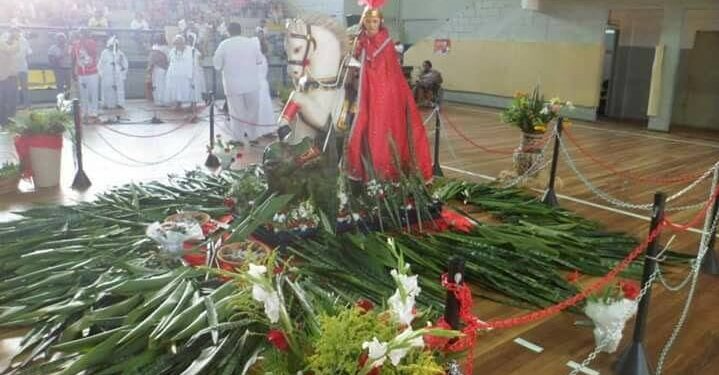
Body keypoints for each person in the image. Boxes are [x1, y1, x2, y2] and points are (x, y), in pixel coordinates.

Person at [345, 4, 433, 182]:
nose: (371, 25)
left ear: (381, 22)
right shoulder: (360, 40)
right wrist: (354, 46)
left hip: (380, 91)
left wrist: (362, 45)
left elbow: (379, 66)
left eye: (375, 21)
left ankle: (380, 171)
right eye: (368, 21)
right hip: (360, 87)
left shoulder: (384, 42)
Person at [213, 22, 264, 144]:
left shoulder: (224, 44)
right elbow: (259, 60)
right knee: (253, 111)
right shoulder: (251, 43)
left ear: (228, 32)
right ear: (240, 30)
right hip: (251, 83)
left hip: (233, 85)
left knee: (236, 112)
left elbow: (217, 65)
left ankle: (238, 139)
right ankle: (253, 137)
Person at [70, 29, 100, 120]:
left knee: (93, 93)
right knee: (83, 94)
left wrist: (84, 44)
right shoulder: (75, 44)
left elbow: (92, 53)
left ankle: (94, 111)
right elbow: (74, 59)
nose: (82, 35)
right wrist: (73, 72)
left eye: (84, 33)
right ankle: (84, 111)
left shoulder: (92, 42)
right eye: (81, 33)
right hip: (81, 73)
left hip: (92, 72)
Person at [165, 35, 197, 109]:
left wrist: (191, 73)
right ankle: (178, 103)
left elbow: (192, 62)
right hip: (175, 74)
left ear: (183, 43)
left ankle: (193, 104)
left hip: (186, 74)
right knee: (176, 89)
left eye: (179, 43)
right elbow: (170, 61)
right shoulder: (172, 50)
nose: (177, 45)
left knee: (189, 89)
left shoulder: (190, 50)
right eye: (176, 43)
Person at [99, 36, 128, 109]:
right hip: (107, 74)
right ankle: (106, 104)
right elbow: (100, 64)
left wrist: (122, 74)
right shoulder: (104, 52)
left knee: (119, 89)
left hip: (117, 75)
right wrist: (101, 74)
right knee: (107, 88)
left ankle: (120, 103)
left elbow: (125, 64)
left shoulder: (121, 54)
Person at [0, 30, 20, 127]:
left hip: (12, 76)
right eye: (9, 37)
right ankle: (4, 121)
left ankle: (10, 120)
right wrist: (15, 39)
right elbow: (12, 50)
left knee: (12, 100)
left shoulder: (10, 45)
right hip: (4, 78)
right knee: (4, 101)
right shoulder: (2, 44)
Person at [257, 38, 276, 138]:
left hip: (258, 85)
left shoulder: (258, 57)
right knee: (265, 108)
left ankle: (261, 129)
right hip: (262, 84)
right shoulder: (263, 57)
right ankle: (266, 129)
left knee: (260, 108)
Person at [147, 34, 169, 106]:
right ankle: (161, 100)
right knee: (160, 85)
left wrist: (149, 68)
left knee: (160, 85)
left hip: (160, 69)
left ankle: (161, 101)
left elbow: (152, 61)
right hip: (160, 68)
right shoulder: (165, 48)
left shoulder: (160, 49)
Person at [15, 28, 32, 109]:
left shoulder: (24, 41)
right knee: (13, 87)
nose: (15, 33)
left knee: (24, 87)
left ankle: (27, 105)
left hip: (22, 68)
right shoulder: (9, 41)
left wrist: (27, 64)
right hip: (12, 69)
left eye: (17, 31)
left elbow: (29, 53)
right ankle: (14, 105)